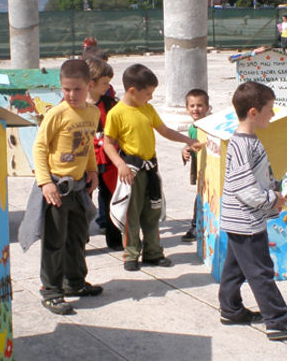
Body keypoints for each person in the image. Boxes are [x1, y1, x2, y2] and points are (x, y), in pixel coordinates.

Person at [218, 81, 287, 341]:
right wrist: (273, 198)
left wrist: (277, 190)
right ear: (253, 112)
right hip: (247, 221)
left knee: (235, 268)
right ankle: (277, 321)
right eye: (270, 109)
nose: (273, 114)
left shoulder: (247, 141)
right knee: (260, 271)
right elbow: (244, 189)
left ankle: (231, 309)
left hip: (243, 219)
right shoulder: (242, 144)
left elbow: (254, 181)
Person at [103, 64, 201, 271]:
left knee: (152, 212)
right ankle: (131, 254)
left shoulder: (147, 109)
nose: (150, 98)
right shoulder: (116, 113)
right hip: (131, 171)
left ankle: (153, 253)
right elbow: (108, 143)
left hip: (151, 170)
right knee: (132, 213)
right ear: (132, 91)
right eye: (148, 93)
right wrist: (120, 165)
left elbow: (164, 130)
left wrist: (188, 140)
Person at [33, 59, 103, 315]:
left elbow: (87, 146)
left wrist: (92, 170)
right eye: (66, 89)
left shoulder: (92, 113)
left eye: (77, 89)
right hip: (57, 189)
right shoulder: (56, 114)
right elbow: (40, 148)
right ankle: (51, 291)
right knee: (55, 241)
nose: (72, 95)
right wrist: (45, 183)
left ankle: (74, 282)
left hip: (79, 188)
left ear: (90, 86)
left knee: (77, 238)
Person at [84, 57, 123, 251]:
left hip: (108, 159)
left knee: (110, 198)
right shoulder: (76, 104)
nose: (108, 86)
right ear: (91, 84)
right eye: (105, 83)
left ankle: (114, 238)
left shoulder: (111, 104)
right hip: (84, 161)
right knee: (83, 200)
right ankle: (80, 240)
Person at [180, 88, 211, 242]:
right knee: (199, 196)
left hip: (210, 168)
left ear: (207, 108)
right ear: (187, 108)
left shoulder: (211, 125)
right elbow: (190, 145)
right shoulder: (193, 128)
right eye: (192, 106)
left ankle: (200, 225)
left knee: (207, 197)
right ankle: (196, 225)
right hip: (199, 168)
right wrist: (185, 151)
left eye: (200, 105)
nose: (195, 109)